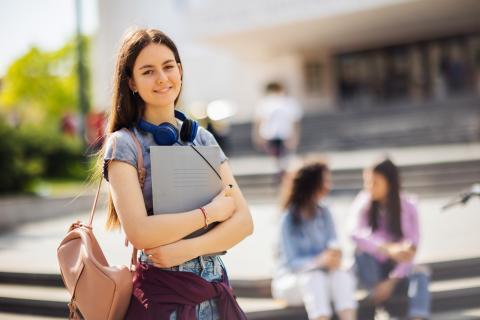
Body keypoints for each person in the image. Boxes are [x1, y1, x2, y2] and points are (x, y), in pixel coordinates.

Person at [98, 28, 253, 319]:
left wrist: (186, 248)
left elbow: (243, 222)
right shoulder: (123, 144)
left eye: (168, 67)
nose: (162, 78)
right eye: (148, 71)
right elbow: (140, 232)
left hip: (215, 287)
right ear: (131, 81)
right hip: (163, 293)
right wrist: (212, 213)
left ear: (180, 71)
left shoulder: (203, 138)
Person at [271, 160, 357, 320]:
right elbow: (292, 263)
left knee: (342, 276)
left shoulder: (325, 213)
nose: (328, 186)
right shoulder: (288, 219)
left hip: (323, 280)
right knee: (314, 278)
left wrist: (334, 257)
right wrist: (319, 261)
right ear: (312, 184)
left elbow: (334, 243)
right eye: (325, 181)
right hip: (291, 283)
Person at [349, 159, 431, 320]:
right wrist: (387, 249)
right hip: (371, 270)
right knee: (361, 252)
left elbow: (411, 248)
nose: (369, 187)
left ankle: (417, 317)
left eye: (375, 182)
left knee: (421, 273)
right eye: (367, 182)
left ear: (390, 182)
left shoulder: (409, 206)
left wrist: (392, 281)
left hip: (396, 273)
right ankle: (380, 299)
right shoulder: (364, 201)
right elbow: (353, 233)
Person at [252, 82, 302, 178]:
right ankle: (280, 173)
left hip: (286, 134)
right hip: (270, 134)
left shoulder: (289, 102)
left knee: (286, 157)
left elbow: (295, 121)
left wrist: (295, 136)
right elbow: (259, 120)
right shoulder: (264, 103)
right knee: (276, 156)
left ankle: (283, 174)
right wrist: (257, 135)